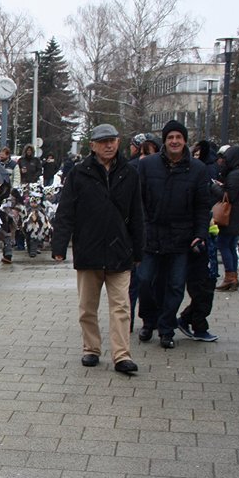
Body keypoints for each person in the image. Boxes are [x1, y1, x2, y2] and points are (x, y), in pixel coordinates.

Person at [52, 124, 143, 374]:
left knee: (121, 307)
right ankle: (91, 349)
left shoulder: (130, 173)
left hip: (120, 250)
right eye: (103, 142)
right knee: (87, 307)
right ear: (93, 145)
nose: (108, 145)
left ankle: (121, 355)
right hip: (88, 248)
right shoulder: (79, 173)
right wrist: (59, 245)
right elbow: (66, 211)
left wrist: (139, 251)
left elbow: (138, 214)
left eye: (112, 140)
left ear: (119, 142)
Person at [136, 120, 211, 349]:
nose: (174, 141)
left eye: (178, 137)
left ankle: (167, 328)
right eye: (170, 137)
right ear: (165, 141)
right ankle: (149, 321)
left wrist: (200, 233)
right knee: (144, 281)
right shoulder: (147, 165)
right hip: (151, 234)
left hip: (181, 237)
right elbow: (137, 200)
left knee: (176, 285)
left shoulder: (198, 169)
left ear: (185, 141)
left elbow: (202, 206)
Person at [213, 146, 239, 292]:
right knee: (230, 245)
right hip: (238, 216)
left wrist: (214, 187)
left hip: (230, 216)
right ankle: (233, 276)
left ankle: (230, 276)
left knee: (224, 244)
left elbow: (229, 196)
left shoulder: (235, 175)